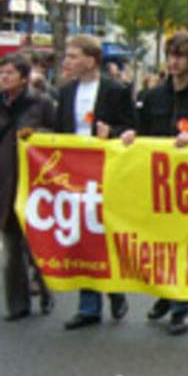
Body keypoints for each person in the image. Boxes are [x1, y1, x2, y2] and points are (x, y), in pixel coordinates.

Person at [122, 31, 188, 336]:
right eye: (171, 55)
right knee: (161, 245)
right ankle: (167, 293)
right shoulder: (151, 96)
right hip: (157, 182)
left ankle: (181, 307)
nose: (174, 62)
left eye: (180, 56)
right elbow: (140, 131)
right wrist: (130, 136)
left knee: (185, 245)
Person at [56, 35, 136, 330]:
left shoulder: (115, 90)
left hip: (106, 171)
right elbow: (57, 129)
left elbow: (131, 127)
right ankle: (88, 305)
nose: (68, 61)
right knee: (82, 235)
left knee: (105, 232)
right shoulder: (65, 92)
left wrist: (112, 132)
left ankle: (114, 289)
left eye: (74, 55)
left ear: (91, 59)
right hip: (74, 172)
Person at [0, 53, 56, 321]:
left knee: (34, 243)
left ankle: (45, 286)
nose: (3, 78)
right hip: (4, 181)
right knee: (11, 244)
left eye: (9, 73)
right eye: (2, 73)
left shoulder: (41, 103)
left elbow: (57, 136)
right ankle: (17, 304)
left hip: (33, 182)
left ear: (23, 78)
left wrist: (38, 136)